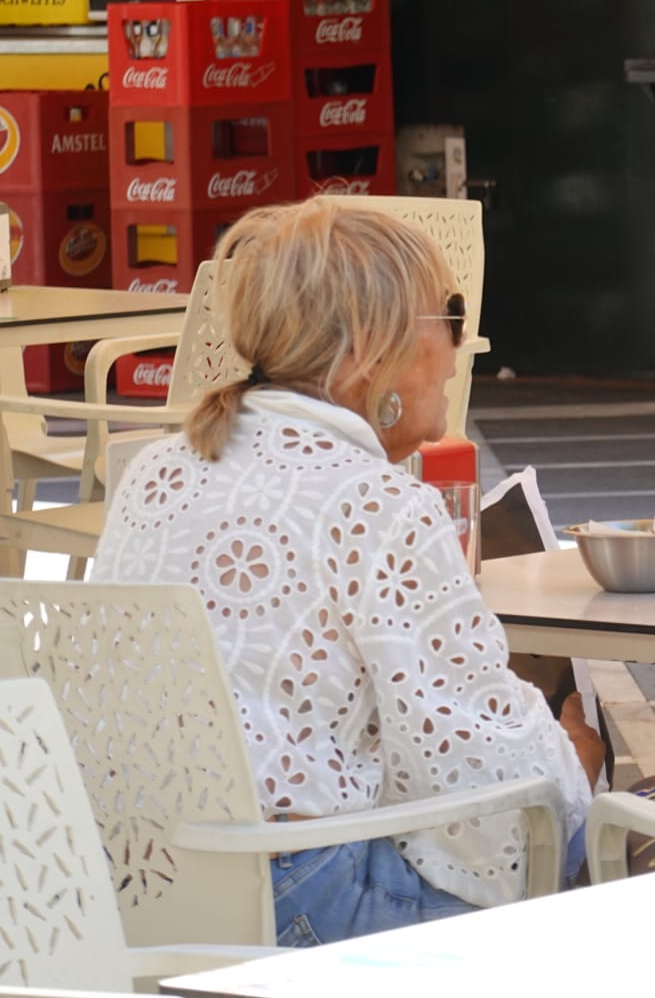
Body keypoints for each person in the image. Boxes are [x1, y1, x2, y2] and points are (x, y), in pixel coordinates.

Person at [94, 198, 602, 945]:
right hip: (292, 899)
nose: (461, 350)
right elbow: (479, 753)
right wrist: (580, 771)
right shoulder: (378, 500)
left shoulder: (154, 469)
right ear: (375, 347)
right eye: (451, 320)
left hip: (125, 880)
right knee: (601, 854)